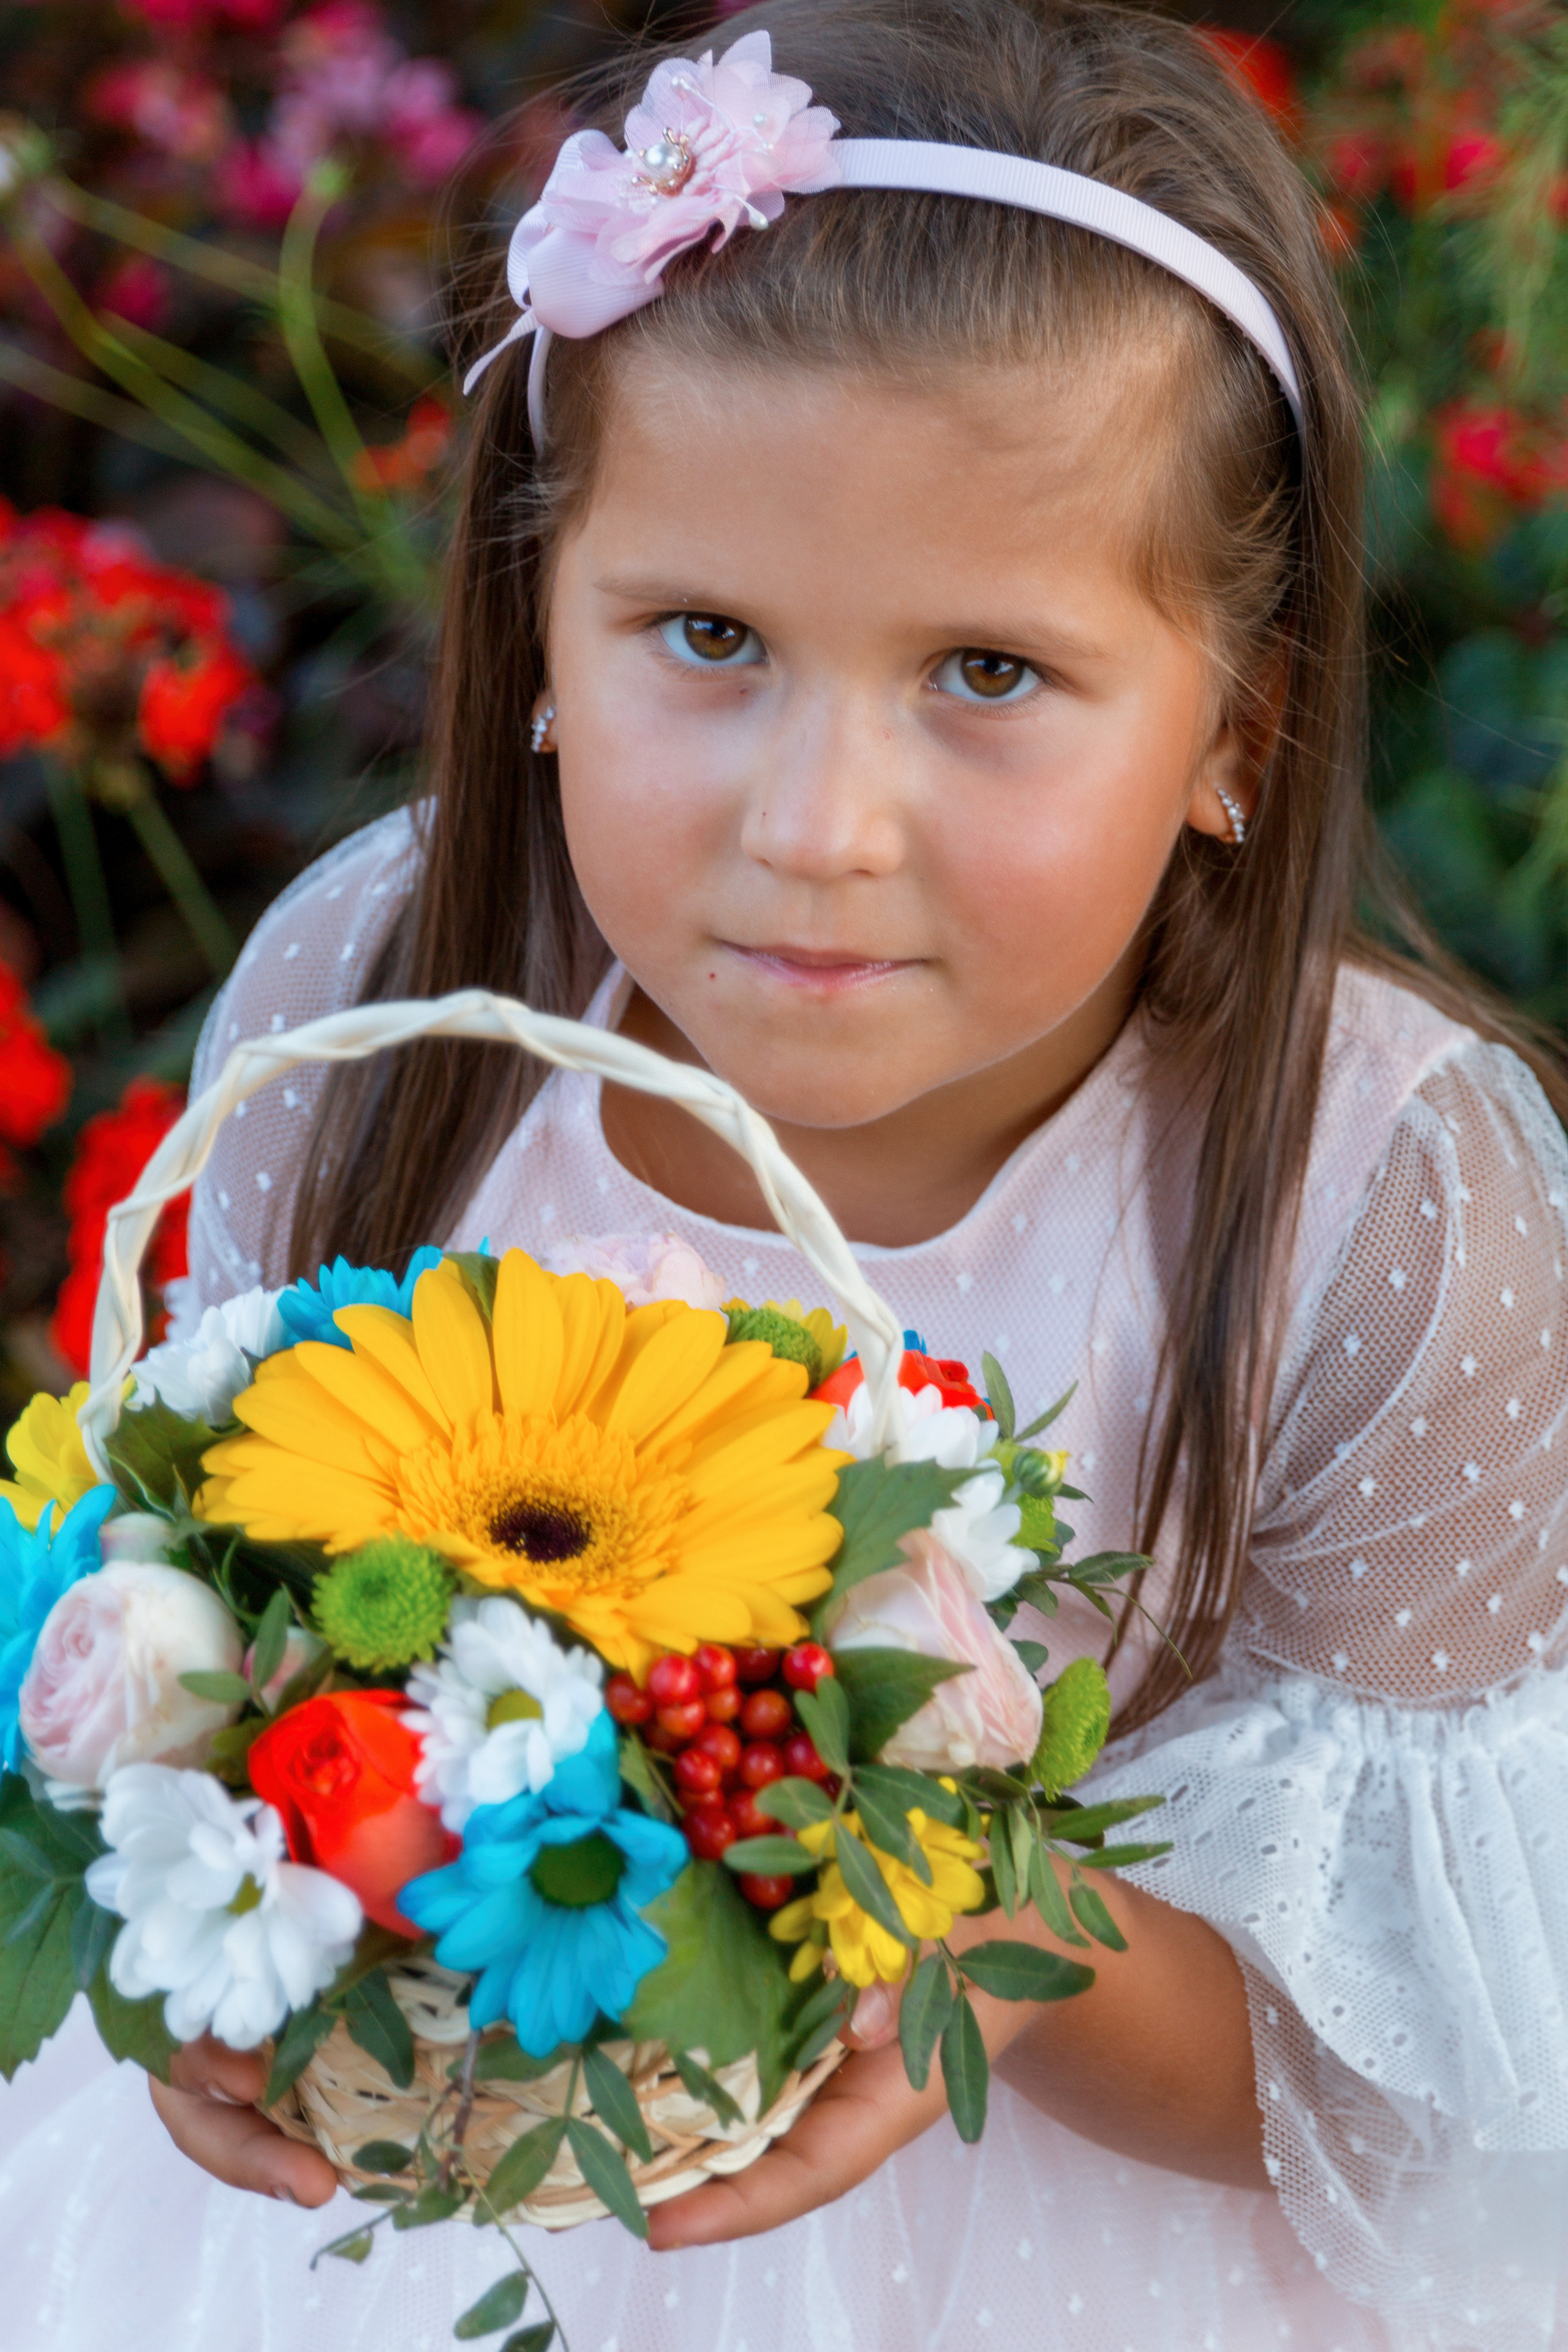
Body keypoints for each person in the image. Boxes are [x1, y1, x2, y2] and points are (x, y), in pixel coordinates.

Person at [7, 1, 1568, 2345]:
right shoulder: (380, 1010)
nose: (820, 828)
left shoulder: (1380, 1215)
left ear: (1234, 725)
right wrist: (216, 1928)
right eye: (710, 637)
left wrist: (961, 1910)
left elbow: (1416, 2102)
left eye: (988, 673)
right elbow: (222, 1604)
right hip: (432, 2214)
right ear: (543, 624)